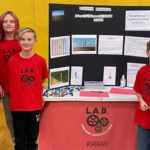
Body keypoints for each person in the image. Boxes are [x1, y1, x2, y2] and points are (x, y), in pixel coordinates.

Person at [8, 27, 48, 150]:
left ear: (35, 41)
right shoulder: (12, 61)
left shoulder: (41, 61)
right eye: (23, 39)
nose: (26, 42)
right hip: (17, 107)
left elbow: (42, 79)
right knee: (20, 140)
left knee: (33, 139)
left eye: (29, 39)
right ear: (19, 41)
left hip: (34, 106)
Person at [0, 11, 21, 143]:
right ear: (1, 25)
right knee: (10, 117)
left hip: (22, 86)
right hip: (5, 87)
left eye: (11, 21)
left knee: (23, 116)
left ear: (16, 24)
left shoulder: (22, 41)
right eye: (5, 21)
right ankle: (15, 142)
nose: (8, 24)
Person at [134, 40, 150, 150]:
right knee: (142, 147)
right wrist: (141, 101)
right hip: (144, 118)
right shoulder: (142, 71)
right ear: (148, 53)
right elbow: (137, 89)